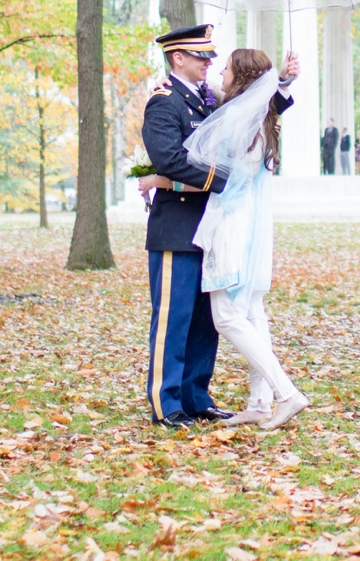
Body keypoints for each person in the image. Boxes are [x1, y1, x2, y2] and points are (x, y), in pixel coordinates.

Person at [136, 23, 299, 428]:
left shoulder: (208, 100)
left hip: (211, 226)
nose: (209, 63)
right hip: (178, 226)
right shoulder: (164, 102)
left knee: (204, 323)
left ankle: (196, 396)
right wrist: (227, 180)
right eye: (201, 56)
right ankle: (167, 403)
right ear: (178, 58)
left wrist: (280, 82)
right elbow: (171, 159)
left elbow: (250, 113)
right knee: (173, 319)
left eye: (212, 58)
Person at [185, 48, 309, 431]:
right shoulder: (258, 116)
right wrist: (283, 80)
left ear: (240, 78)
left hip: (232, 221)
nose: (219, 72)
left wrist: (156, 177)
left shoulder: (238, 117)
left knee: (226, 316)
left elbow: (203, 165)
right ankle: (259, 401)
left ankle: (286, 393)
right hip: (251, 218)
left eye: (225, 68)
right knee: (253, 311)